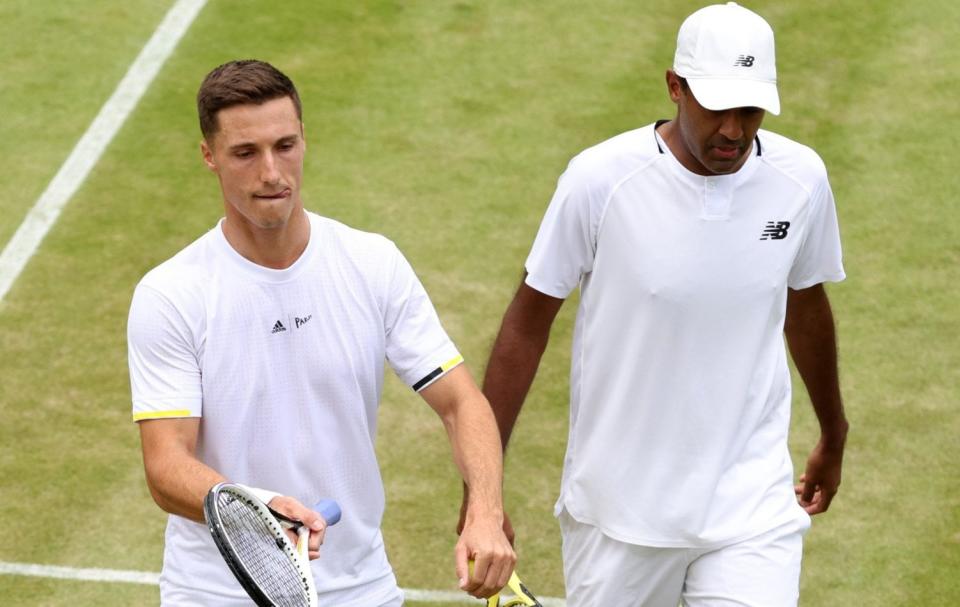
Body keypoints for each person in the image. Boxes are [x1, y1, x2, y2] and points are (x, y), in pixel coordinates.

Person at [471, 3, 849, 605]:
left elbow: (805, 305)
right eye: (715, 106)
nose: (733, 129)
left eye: (749, 110)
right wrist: (481, 494)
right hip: (619, 517)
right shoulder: (599, 180)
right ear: (675, 86)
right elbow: (526, 326)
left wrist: (833, 431)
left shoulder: (801, 179)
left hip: (750, 507)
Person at [127, 59, 515, 606]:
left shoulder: (371, 262)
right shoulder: (171, 295)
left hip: (361, 589)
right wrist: (255, 515)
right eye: (245, 153)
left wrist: (486, 512)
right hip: (219, 594)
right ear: (209, 156)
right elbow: (166, 465)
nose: (271, 172)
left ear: (304, 139)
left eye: (285, 145)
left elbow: (461, 402)